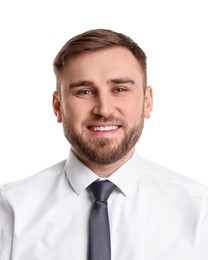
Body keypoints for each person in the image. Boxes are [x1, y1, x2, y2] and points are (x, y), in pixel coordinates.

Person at [0, 29, 208, 260]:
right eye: (84, 91)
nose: (104, 109)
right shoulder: (10, 210)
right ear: (58, 106)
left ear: (147, 102)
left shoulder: (199, 213)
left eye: (119, 89)